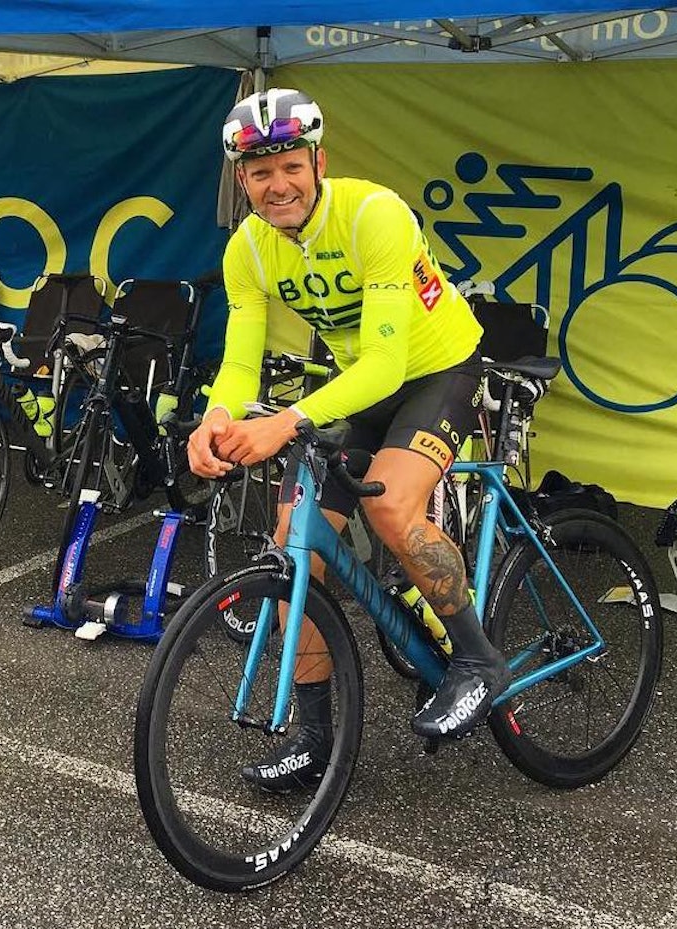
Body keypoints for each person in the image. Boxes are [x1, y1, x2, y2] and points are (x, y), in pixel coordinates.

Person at [188, 88, 507, 792]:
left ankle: (479, 658)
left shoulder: (373, 215)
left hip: (437, 367)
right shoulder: (249, 250)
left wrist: (286, 419)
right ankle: (313, 736)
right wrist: (217, 415)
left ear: (318, 162)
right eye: (259, 173)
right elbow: (241, 358)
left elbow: (391, 363)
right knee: (294, 540)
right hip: (359, 381)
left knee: (392, 508)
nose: (278, 186)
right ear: (242, 181)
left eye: (290, 167)